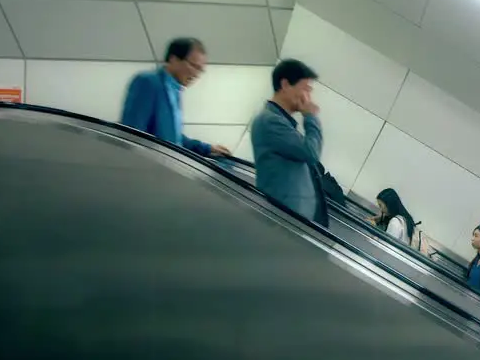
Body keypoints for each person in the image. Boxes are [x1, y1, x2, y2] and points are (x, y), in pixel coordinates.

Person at [120, 37, 231, 157]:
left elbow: (172, 137)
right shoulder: (148, 82)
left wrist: (207, 148)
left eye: (200, 70)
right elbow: (132, 134)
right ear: (173, 59)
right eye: (193, 66)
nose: (196, 74)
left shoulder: (175, 90)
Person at [250, 59, 327, 226]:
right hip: (282, 220)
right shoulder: (269, 121)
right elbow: (311, 153)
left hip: (290, 219)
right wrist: (311, 117)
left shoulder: (281, 122)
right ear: (285, 85)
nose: (309, 97)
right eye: (306, 89)